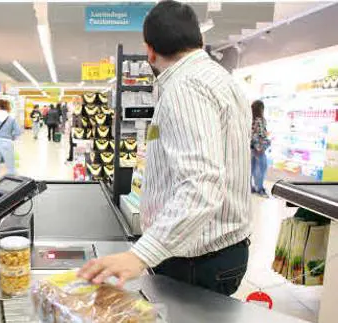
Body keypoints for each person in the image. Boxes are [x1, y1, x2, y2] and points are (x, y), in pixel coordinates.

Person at [79, 0, 252, 297]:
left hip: (196, 261)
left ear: (150, 50)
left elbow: (202, 184)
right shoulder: (222, 79)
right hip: (220, 251)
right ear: (200, 40)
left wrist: (140, 254)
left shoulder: (184, 87)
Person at [251, 100, 270, 197]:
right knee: (262, 168)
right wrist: (262, 147)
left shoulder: (251, 119)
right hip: (259, 149)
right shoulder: (261, 120)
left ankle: (251, 187)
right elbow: (262, 135)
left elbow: (252, 134)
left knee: (252, 169)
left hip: (251, 148)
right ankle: (260, 189)